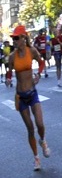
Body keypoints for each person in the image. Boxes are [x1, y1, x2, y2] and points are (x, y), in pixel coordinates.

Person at [9, 26, 49, 170]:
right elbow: (8, 71)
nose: (14, 41)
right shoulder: (12, 56)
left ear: (24, 38)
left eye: (16, 38)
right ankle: (36, 158)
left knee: (40, 124)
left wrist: (38, 73)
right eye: (13, 38)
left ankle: (43, 141)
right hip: (21, 96)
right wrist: (8, 79)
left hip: (32, 93)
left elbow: (41, 62)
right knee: (30, 129)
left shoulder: (31, 51)